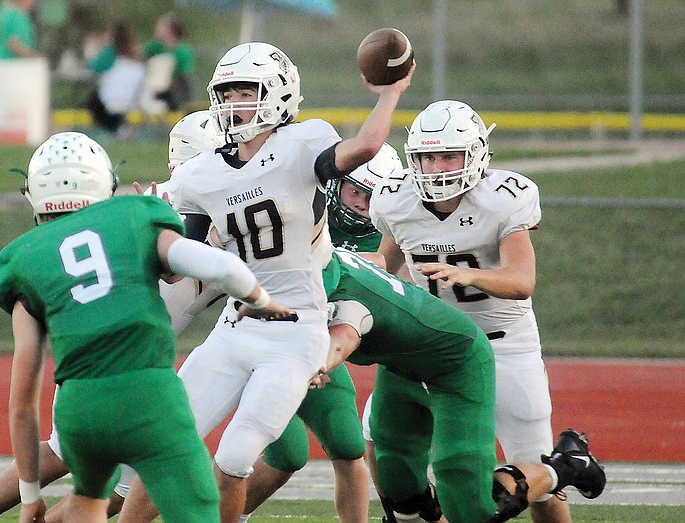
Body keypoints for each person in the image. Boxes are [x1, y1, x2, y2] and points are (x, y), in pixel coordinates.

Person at [116, 41, 414, 523]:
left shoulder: (303, 143)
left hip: (296, 330)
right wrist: (146, 223)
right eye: (227, 92)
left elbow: (366, 147)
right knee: (167, 440)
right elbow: (179, 265)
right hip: (237, 328)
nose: (235, 103)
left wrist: (390, 93)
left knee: (235, 457)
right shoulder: (201, 172)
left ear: (278, 93)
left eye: (246, 90)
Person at [0, 131, 293, 523]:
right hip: (149, 393)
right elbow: (218, 268)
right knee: (191, 508)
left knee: (88, 499)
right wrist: (264, 301)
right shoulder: (138, 217)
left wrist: (29, 496)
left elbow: (22, 404)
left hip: (80, 403)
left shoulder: (22, 259)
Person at [369, 100, 573, 522]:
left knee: (532, 478)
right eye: (428, 156)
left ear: (476, 154)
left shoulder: (502, 199)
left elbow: (521, 281)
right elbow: (384, 263)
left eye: (449, 155)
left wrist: (469, 276)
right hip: (431, 346)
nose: (438, 167)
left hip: (503, 346)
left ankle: (564, 468)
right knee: (378, 437)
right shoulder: (395, 198)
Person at [316, 246, 606, 523]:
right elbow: (374, 261)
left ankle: (567, 463)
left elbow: (344, 338)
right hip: (402, 365)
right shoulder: (322, 264)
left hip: (455, 363)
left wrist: (311, 366)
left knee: (472, 508)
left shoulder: (340, 295)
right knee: (399, 491)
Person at [239, 143, 404, 523]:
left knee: (348, 445)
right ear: (335, 183)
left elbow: (384, 266)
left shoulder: (384, 234)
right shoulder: (300, 203)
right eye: (357, 191)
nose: (363, 204)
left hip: (320, 346)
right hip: (265, 341)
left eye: (373, 196)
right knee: (287, 454)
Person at [84, 21, 147, 135]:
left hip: (111, 98)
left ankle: (116, 129)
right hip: (134, 97)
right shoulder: (136, 55)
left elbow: (95, 66)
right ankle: (121, 127)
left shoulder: (111, 52)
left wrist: (91, 51)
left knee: (91, 100)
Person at [142, 12, 196, 111]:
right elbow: (140, 57)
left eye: (160, 27)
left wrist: (167, 85)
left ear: (169, 30)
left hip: (174, 92)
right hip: (156, 90)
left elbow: (185, 75)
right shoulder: (155, 47)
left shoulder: (182, 51)